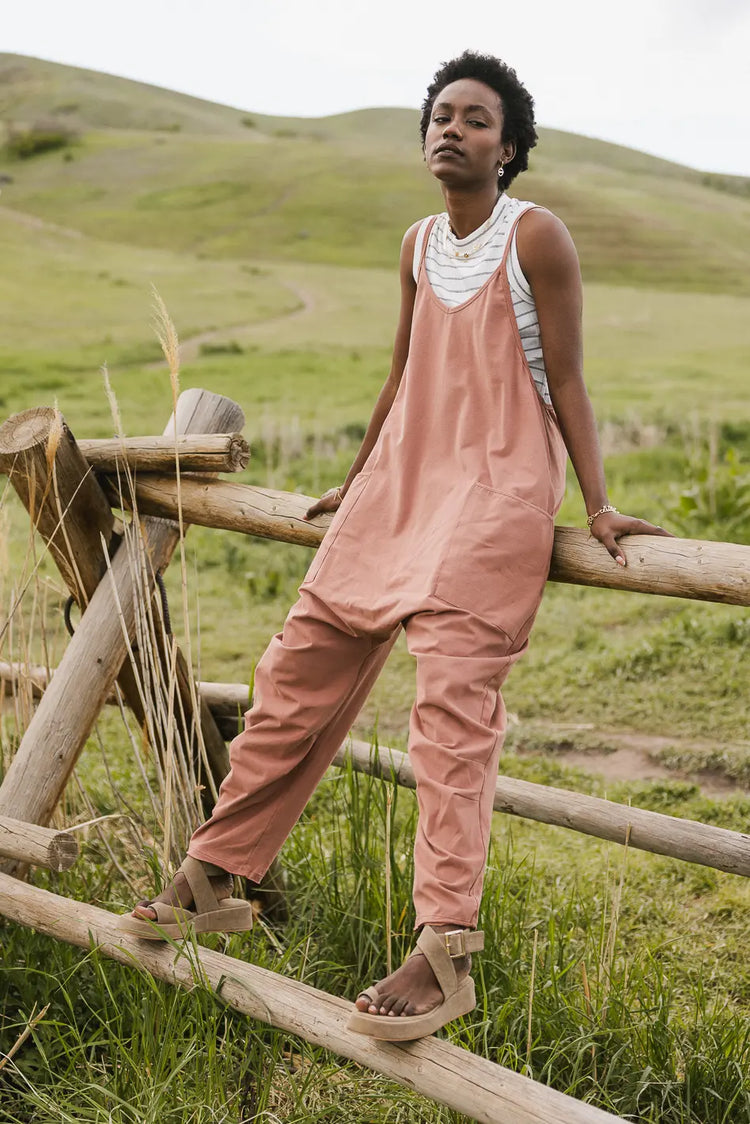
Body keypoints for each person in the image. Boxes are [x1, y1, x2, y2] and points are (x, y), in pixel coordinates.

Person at [118, 50, 669, 1040]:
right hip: (401, 483)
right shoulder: (418, 244)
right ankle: (216, 873)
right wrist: (362, 472)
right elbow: (402, 373)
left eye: (476, 119)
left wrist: (596, 507)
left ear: (509, 148)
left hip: (498, 488)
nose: (451, 129)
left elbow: (572, 381)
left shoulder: (534, 237)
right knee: (293, 672)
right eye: (440, 115)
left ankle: (445, 948)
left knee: (450, 709)